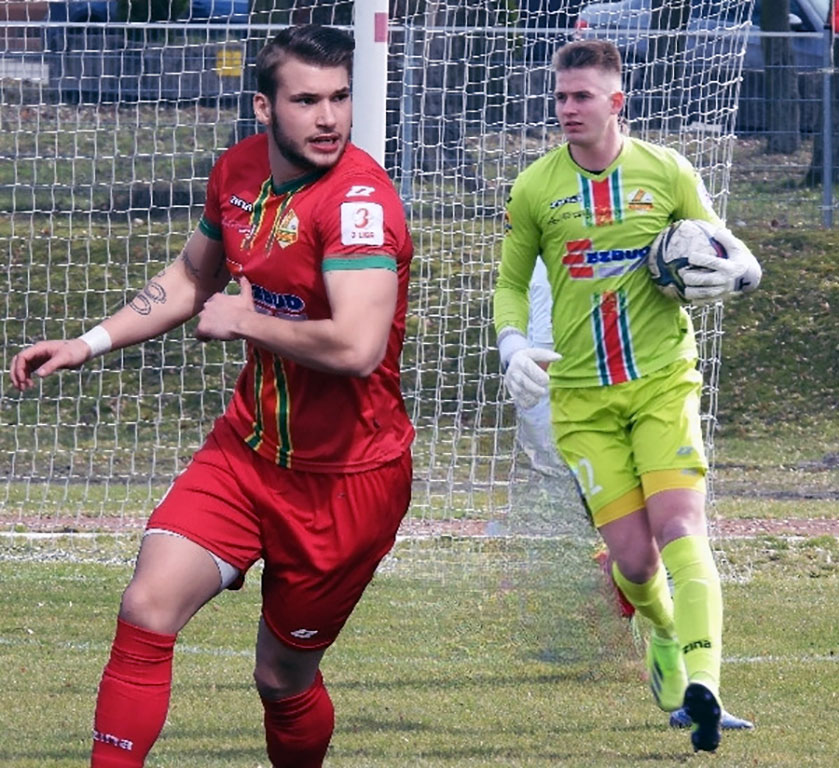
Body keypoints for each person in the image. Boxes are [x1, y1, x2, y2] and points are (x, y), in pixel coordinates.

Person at [11, 24, 414, 768]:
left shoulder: (359, 204)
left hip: (345, 483)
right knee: (146, 606)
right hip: (246, 453)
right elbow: (194, 277)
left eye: (339, 98)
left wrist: (246, 321)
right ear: (265, 108)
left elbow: (358, 348)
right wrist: (87, 342)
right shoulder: (237, 171)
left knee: (281, 676)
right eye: (306, 100)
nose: (328, 118)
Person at [493, 39, 761, 753]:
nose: (567, 108)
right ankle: (664, 634)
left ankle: (705, 687)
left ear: (616, 101)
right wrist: (512, 344)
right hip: (581, 402)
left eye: (581, 96)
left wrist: (743, 268)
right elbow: (510, 284)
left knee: (681, 527)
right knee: (636, 564)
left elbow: (722, 244)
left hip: (662, 383)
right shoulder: (534, 188)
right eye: (560, 96)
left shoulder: (666, 170)